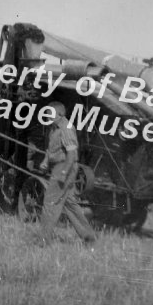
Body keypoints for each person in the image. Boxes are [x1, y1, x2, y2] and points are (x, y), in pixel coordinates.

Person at [39, 101, 96, 246]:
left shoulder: (66, 128)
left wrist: (64, 172)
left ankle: (44, 240)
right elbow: (51, 149)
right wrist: (46, 161)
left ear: (60, 114)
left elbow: (71, 153)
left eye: (50, 113)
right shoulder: (53, 128)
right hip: (60, 165)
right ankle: (89, 238)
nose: (47, 116)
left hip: (65, 167)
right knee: (70, 204)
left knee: (50, 202)